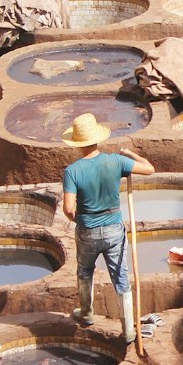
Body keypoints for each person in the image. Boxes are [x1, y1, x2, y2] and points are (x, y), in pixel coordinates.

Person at [61, 114, 154, 345]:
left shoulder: (72, 171)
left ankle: (87, 313)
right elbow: (149, 169)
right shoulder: (115, 161)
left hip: (88, 230)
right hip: (114, 228)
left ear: (77, 142)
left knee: (85, 270)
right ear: (97, 139)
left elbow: (68, 208)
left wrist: (78, 220)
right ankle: (128, 331)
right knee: (120, 277)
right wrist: (130, 154)